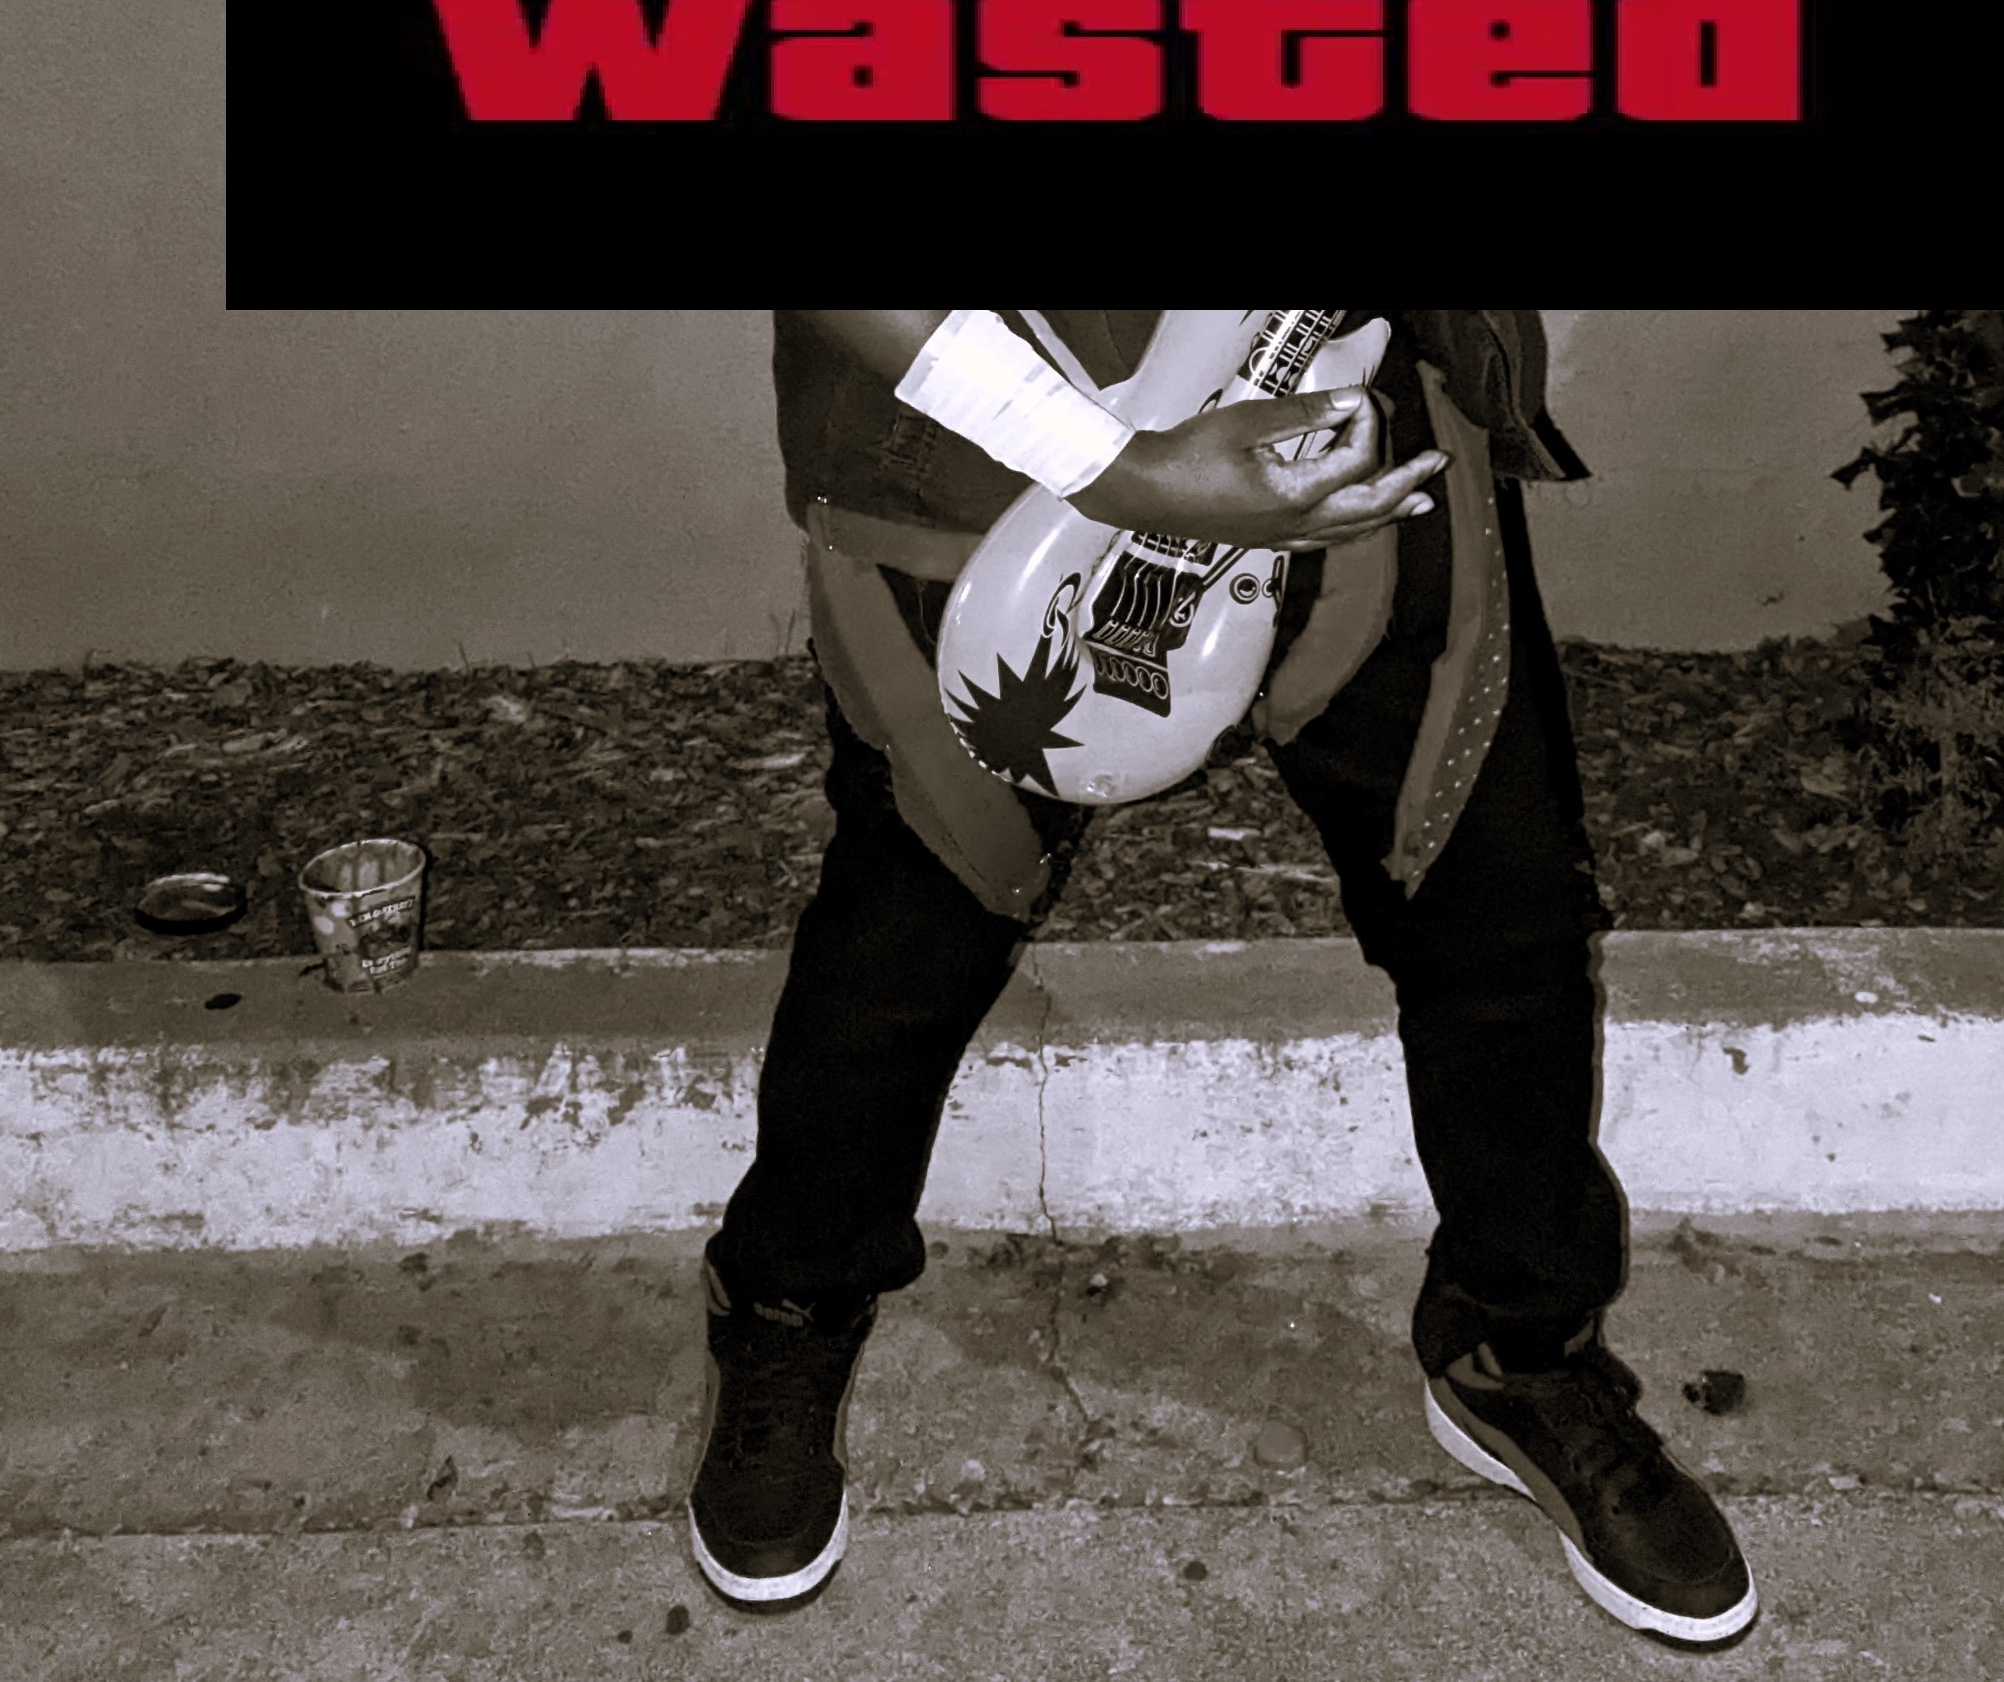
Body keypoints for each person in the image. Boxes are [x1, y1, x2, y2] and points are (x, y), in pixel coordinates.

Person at [687, 307, 1757, 1648]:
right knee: (907, 942)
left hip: (1349, 421)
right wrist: (1114, 464)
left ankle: (1520, 1344)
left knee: (1500, 921)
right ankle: (787, 1296)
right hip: (976, 464)